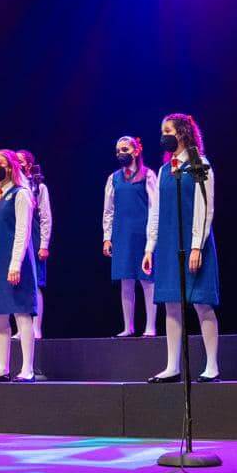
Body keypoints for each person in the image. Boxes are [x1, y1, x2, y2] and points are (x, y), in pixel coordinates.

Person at [144, 113, 222, 383]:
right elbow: (156, 212)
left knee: (201, 302)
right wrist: (149, 247)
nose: (163, 135)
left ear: (182, 133)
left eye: (168, 130)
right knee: (171, 305)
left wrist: (197, 246)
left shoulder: (200, 164)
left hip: (193, 243)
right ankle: (172, 366)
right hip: (168, 244)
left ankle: (212, 365)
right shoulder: (165, 170)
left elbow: (205, 206)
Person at [0, 149, 39, 382]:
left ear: (11, 167)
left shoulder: (21, 194)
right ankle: (2, 367)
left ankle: (27, 368)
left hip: (15, 263)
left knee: (22, 313)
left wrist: (15, 264)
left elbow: (23, 231)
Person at [103, 135, 159, 337]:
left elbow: (154, 207)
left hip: (142, 234)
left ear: (135, 151)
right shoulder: (114, 178)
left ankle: (150, 326)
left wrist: (151, 240)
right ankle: (129, 327)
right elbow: (108, 210)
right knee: (125, 281)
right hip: (122, 234)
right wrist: (107, 237)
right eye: (118, 151)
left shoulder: (148, 175)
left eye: (125, 150)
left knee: (146, 280)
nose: (121, 154)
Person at [15, 150, 52, 339]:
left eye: (20, 161)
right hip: (15, 238)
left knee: (36, 283)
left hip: (34, 236)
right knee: (16, 282)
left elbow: (45, 217)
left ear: (28, 165)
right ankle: (21, 329)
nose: (17, 164)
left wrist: (44, 244)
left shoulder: (39, 187)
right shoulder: (12, 186)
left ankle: (36, 327)